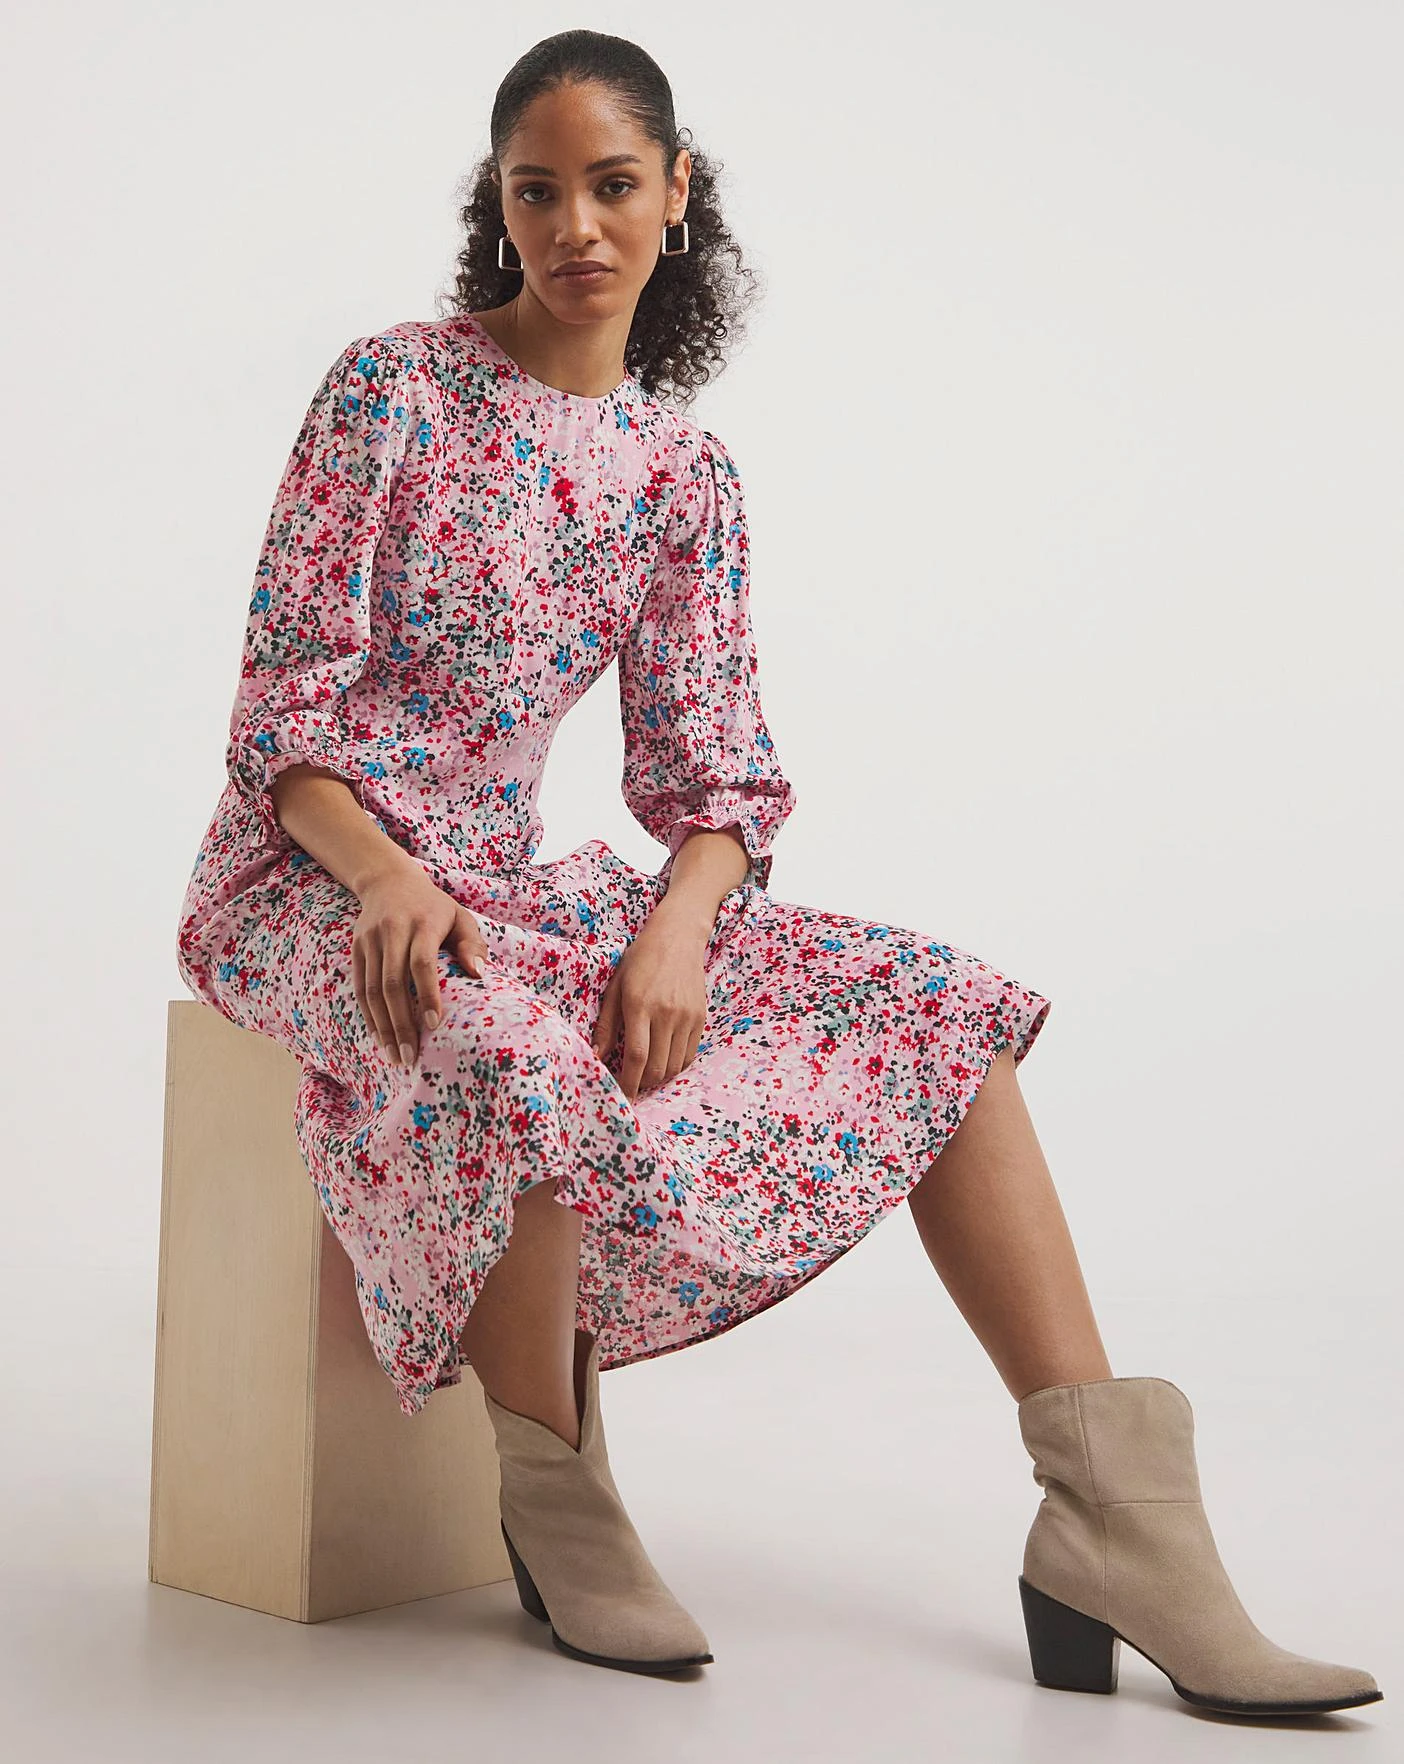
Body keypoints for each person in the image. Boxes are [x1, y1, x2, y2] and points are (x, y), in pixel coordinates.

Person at [174, 26, 1382, 1710]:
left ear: (679, 195)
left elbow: (717, 771)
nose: (575, 226)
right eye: (537, 191)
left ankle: (1117, 1524)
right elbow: (281, 704)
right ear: (496, 207)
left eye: (612, 185)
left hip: (507, 886)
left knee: (938, 1007)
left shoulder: (680, 473)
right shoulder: (393, 390)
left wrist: (680, 924)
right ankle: (558, 1500)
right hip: (311, 882)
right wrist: (383, 874)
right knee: (512, 1046)